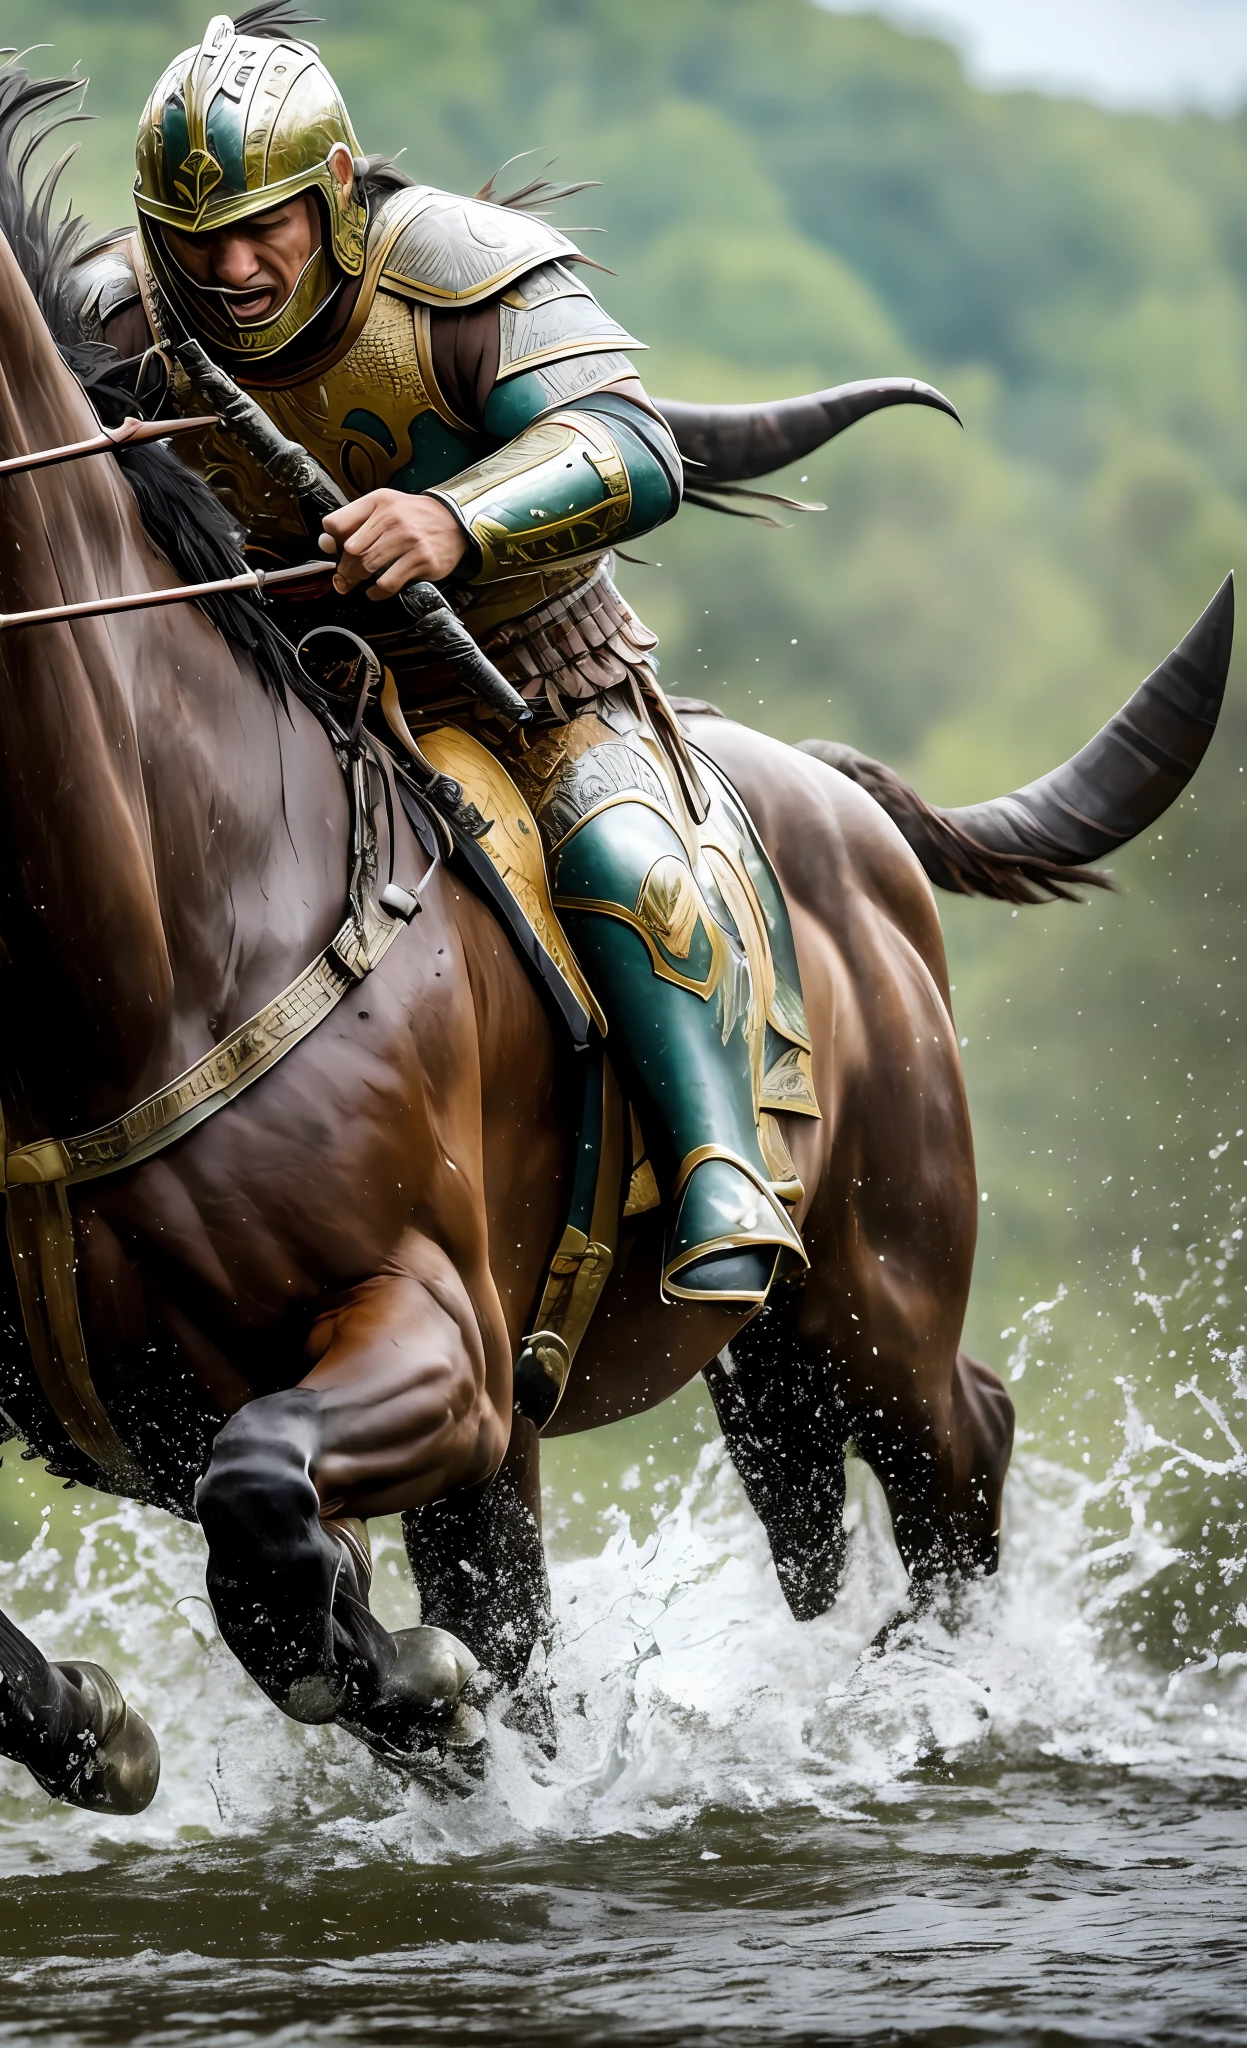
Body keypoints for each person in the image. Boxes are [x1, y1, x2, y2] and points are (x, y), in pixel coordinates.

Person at [72, 7, 806, 1309]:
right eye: (193, 237)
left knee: (620, 856)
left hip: (525, 680)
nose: (228, 264)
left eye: (264, 226)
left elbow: (632, 450)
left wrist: (454, 518)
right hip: (271, 693)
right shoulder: (121, 325)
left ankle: (718, 1168)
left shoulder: (467, 275)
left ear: (337, 192)